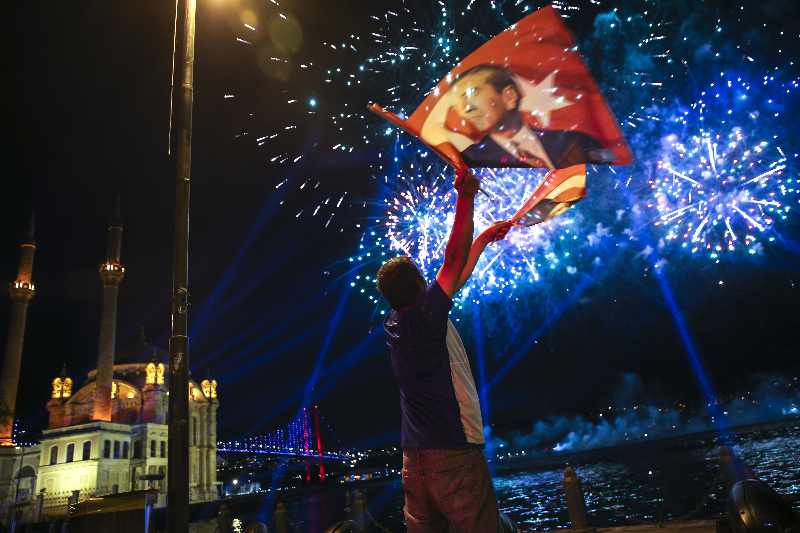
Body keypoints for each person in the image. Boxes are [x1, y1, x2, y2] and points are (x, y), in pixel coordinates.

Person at [376, 169, 512, 532]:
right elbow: (452, 265)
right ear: (422, 285)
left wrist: (481, 239)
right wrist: (465, 198)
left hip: (413, 462)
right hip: (453, 453)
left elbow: (456, 274)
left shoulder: (393, 324)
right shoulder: (425, 318)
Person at [421, 64, 613, 169]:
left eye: (471, 94)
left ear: (509, 96)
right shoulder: (472, 163)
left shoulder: (575, 141)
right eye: (456, 106)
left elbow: (612, 169)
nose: (465, 109)